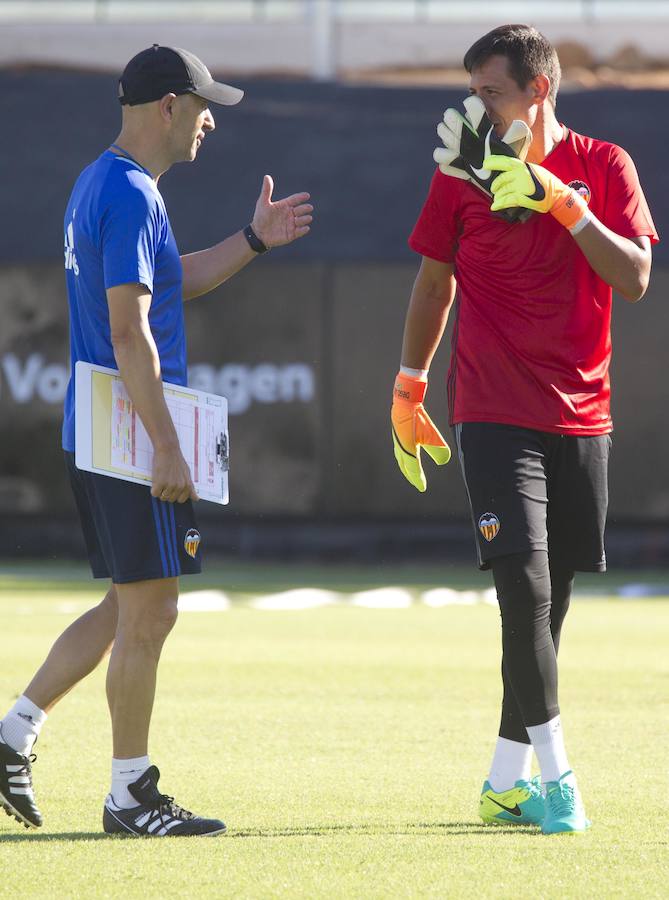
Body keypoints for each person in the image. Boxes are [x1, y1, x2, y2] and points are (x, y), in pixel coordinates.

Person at [0, 44, 313, 837]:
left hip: (104, 428)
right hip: (129, 435)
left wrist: (252, 238)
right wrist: (168, 446)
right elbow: (129, 333)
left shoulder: (105, 182)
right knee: (153, 608)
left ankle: (12, 736)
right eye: (204, 104)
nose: (211, 120)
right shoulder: (131, 193)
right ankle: (129, 796)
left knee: (125, 604)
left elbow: (174, 278)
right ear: (168, 106)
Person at [391, 24, 657, 834]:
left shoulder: (605, 165)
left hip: (582, 418)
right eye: (471, 91)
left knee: (552, 607)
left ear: (538, 89)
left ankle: (504, 782)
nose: (476, 106)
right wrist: (408, 387)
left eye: (490, 91)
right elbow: (433, 283)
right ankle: (559, 780)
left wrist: (562, 202)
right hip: (490, 413)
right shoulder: (458, 176)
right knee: (524, 595)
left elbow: (635, 277)